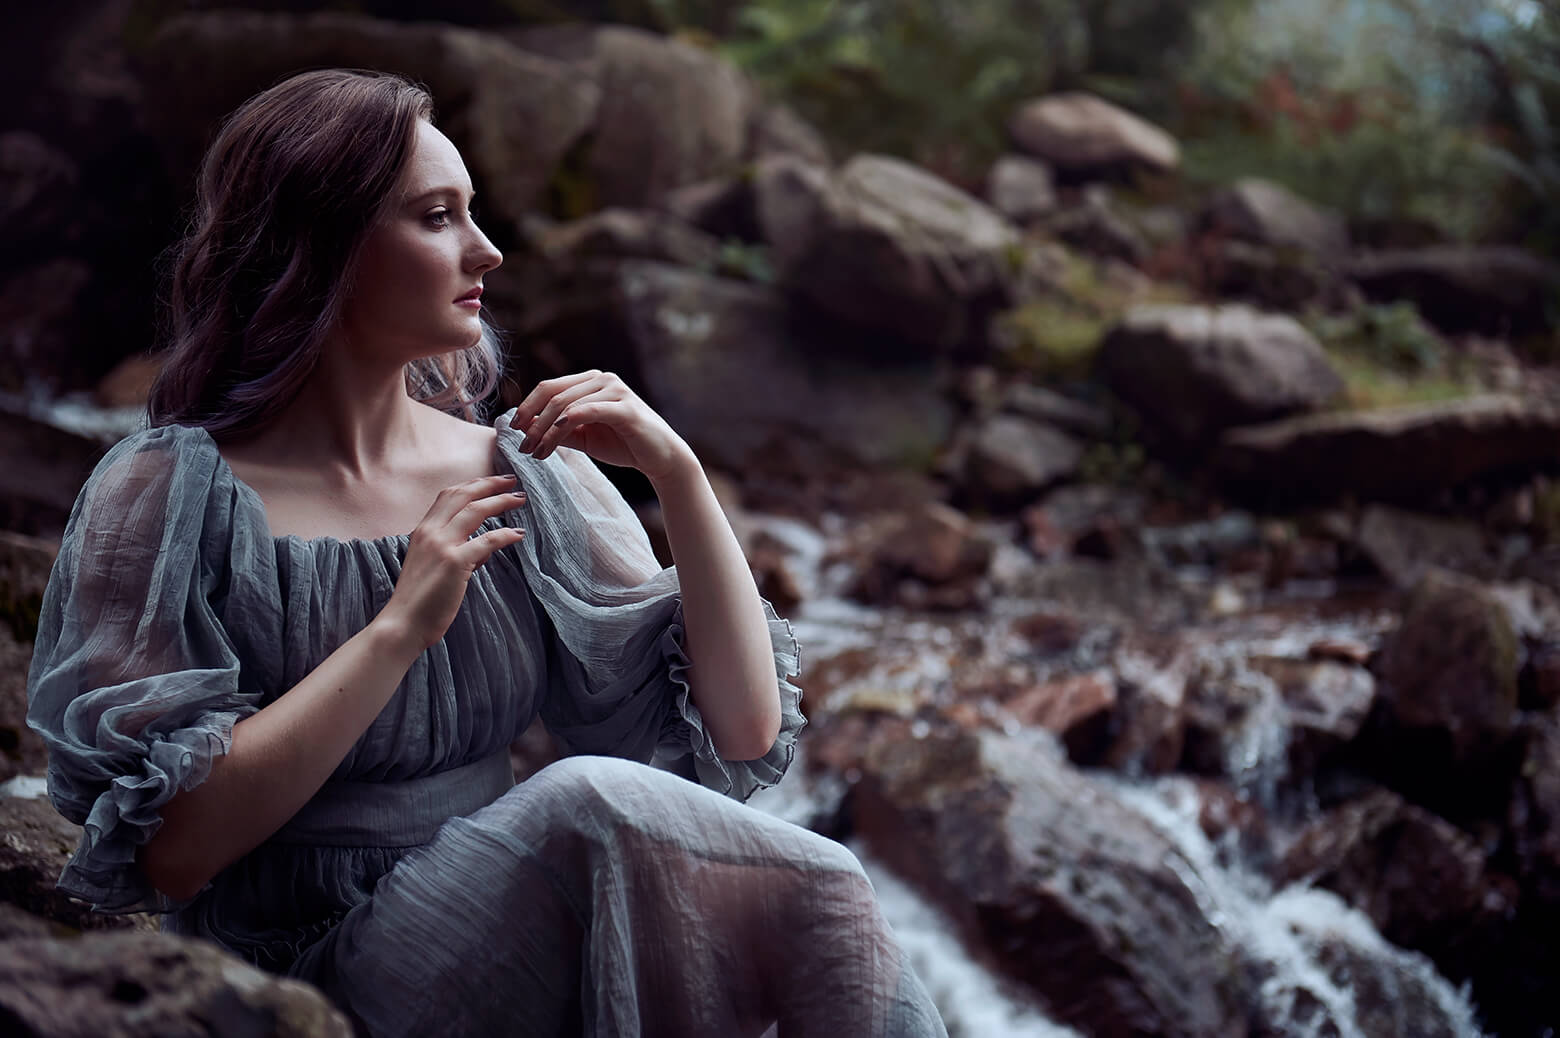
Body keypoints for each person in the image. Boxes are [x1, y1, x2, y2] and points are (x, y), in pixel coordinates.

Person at [24, 68, 946, 1037]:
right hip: (289, 971)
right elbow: (173, 854)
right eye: (436, 216)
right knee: (591, 805)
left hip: (510, 940)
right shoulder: (166, 495)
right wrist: (396, 631)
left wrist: (679, 477)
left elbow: (745, 730)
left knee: (811, 887)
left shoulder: (518, 470)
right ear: (321, 244)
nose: (487, 250)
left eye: (474, 212)